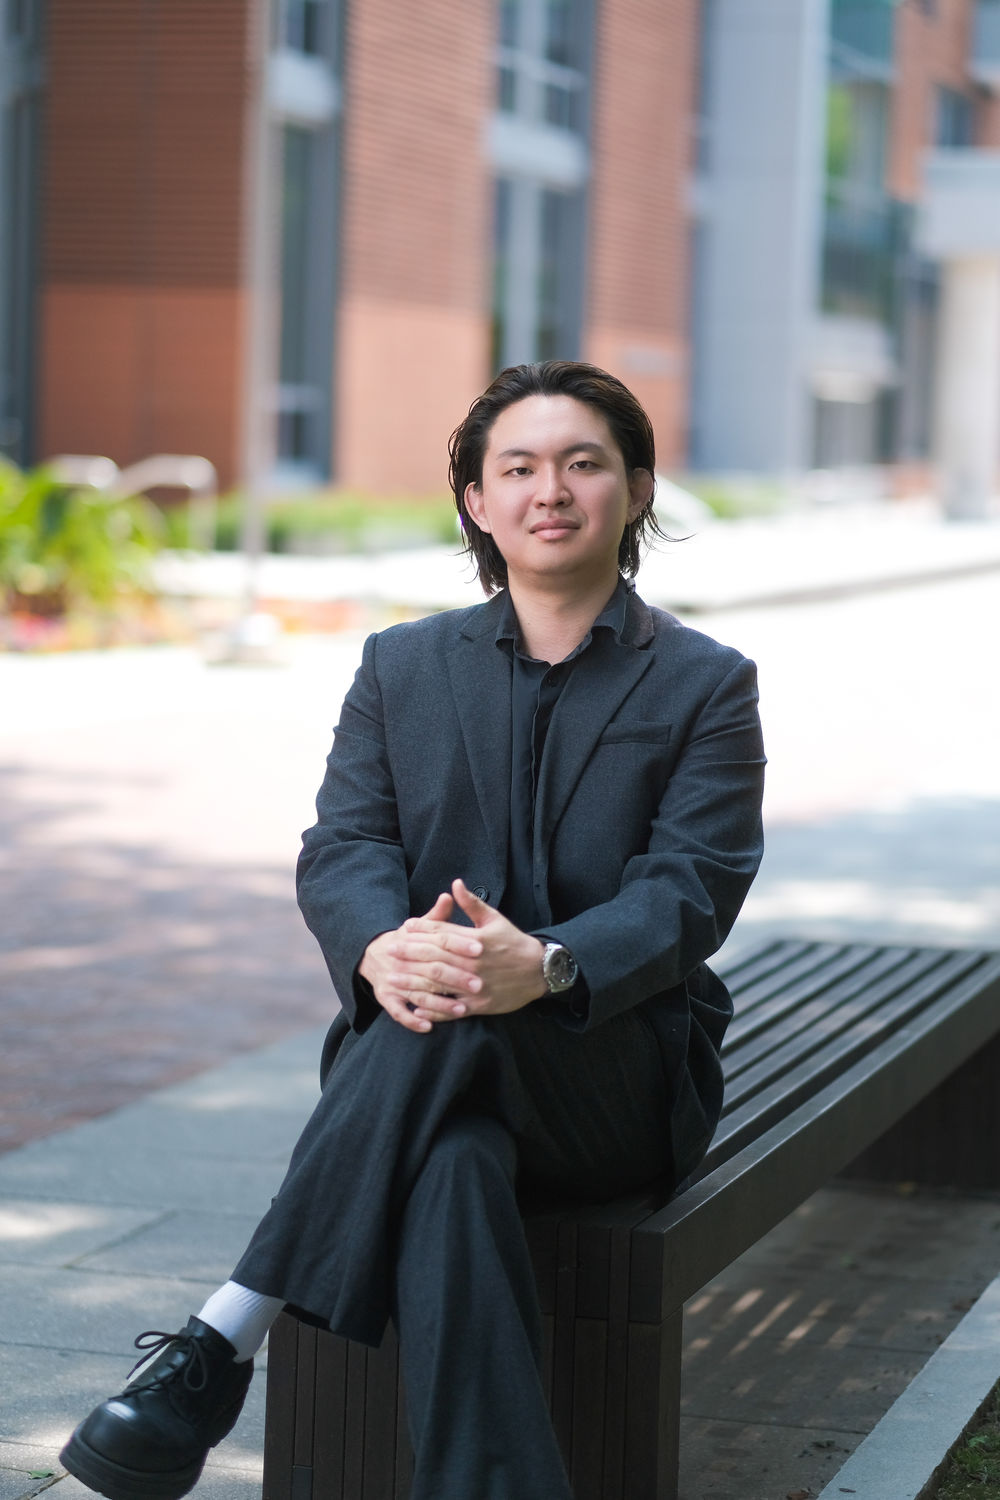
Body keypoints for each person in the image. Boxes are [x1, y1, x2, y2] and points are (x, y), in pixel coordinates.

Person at [60, 360, 766, 1500]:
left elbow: (694, 888)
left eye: (583, 463)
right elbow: (342, 846)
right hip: (430, 1056)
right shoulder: (402, 665)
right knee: (451, 1163)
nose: (552, 489)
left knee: (465, 1019)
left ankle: (223, 1332)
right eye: (519, 467)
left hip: (617, 1075)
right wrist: (379, 945)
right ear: (476, 504)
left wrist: (543, 965)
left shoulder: (704, 685)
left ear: (635, 490)